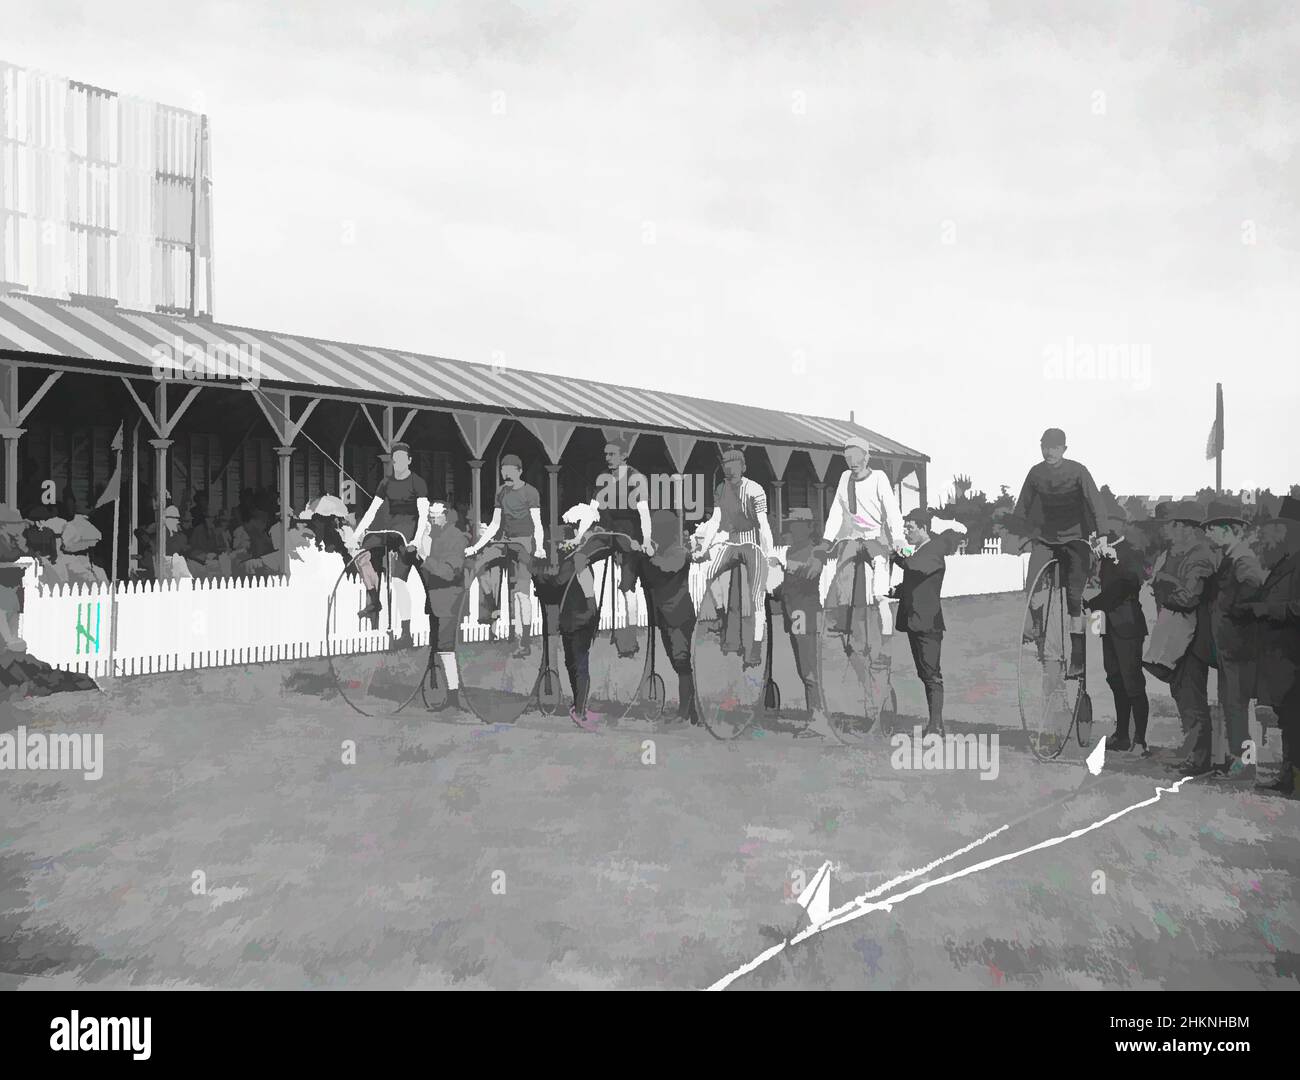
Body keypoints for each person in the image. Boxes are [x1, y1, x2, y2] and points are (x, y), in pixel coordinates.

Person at [1014, 428, 1108, 678]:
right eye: (1045, 446)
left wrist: (1102, 534)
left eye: (1055, 448)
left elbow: (1095, 503)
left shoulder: (1078, 471)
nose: (1049, 452)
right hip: (1046, 539)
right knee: (1032, 587)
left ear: (1064, 449)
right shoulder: (1036, 473)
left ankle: (1077, 658)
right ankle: (1036, 627)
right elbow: (1021, 506)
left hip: (1075, 539)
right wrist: (1020, 534)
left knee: (1074, 599)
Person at [1149, 500, 1219, 775]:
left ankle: (1199, 759)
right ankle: (1194, 753)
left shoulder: (1199, 555)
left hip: (1192, 638)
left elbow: (1189, 597)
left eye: (1172, 524)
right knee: (1182, 694)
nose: (1167, 529)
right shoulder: (1176, 552)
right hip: (1179, 635)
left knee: (1191, 696)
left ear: (1186, 527)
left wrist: (1164, 585)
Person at [1202, 499, 1268, 780]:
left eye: (1213, 529)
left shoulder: (1243, 559)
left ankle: (1246, 764)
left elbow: (1252, 592)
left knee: (1239, 706)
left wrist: (1231, 611)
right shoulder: (1231, 558)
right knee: (1233, 705)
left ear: (1228, 529)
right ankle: (1238, 760)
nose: (1208, 534)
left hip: (1239, 647)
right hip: (1230, 647)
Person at [1240, 497, 1300, 795]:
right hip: (1281, 654)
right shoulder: (1284, 561)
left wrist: (1266, 610)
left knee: (1295, 718)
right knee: (1289, 718)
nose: (1271, 534)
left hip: (1292, 652)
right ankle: (1288, 778)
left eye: (1277, 528)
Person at [693, 447, 774, 668]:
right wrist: (704, 548)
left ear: (743, 468)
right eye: (726, 469)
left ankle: (755, 648)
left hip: (752, 543)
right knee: (708, 572)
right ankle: (721, 617)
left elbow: (763, 524)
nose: (730, 473)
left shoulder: (755, 490)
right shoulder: (721, 488)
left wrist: (769, 553)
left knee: (757, 596)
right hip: (731, 540)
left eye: (734, 469)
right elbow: (716, 520)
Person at [821, 435, 905, 640]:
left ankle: (886, 634)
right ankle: (844, 622)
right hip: (854, 538)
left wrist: (899, 537)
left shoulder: (879, 478)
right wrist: (827, 540)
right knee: (843, 573)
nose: (853, 463)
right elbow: (837, 511)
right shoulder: (844, 478)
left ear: (867, 458)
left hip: (877, 538)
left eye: (857, 457)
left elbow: (892, 510)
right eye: (848, 458)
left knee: (880, 594)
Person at [892, 508, 967, 737]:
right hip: (916, 621)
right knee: (925, 674)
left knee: (932, 674)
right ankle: (935, 724)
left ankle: (936, 726)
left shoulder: (933, 549)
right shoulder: (923, 550)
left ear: (923, 528)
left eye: (910, 527)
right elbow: (917, 581)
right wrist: (896, 591)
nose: (906, 531)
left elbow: (913, 567)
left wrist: (894, 554)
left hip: (928, 623)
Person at [466, 453, 544, 658]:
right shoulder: (501, 492)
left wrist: (540, 546)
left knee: (520, 593)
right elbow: (494, 524)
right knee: (480, 564)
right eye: (503, 470)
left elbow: (537, 523)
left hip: (524, 542)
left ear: (519, 472)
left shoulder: (530, 492)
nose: (506, 474)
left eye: (510, 471)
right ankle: (491, 611)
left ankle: (523, 640)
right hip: (505, 541)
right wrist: (476, 547)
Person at [353, 442, 430, 647]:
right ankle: (373, 600)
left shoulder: (417, 482)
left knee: (398, 581)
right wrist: (357, 534)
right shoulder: (385, 483)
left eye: (402, 460)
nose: (398, 464)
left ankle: (406, 632)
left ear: (409, 461)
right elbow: (372, 511)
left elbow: (423, 513)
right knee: (362, 554)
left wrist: (417, 538)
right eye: (395, 460)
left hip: (409, 531)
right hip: (391, 529)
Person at [1087, 513, 1151, 755]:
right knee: (1115, 680)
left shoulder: (1130, 553)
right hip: (1110, 627)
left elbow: (1128, 584)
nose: (1096, 539)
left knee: (1132, 682)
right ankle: (1122, 734)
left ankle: (1140, 740)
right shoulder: (1105, 557)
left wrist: (1094, 603)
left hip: (1128, 626)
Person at [768, 507, 834, 739]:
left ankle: (819, 720)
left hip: (805, 615)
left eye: (797, 524)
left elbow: (809, 574)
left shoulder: (816, 551)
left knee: (809, 670)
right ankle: (815, 716)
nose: (792, 528)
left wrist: (784, 566)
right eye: (790, 524)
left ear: (809, 527)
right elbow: (790, 585)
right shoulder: (792, 550)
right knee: (803, 669)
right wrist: (772, 592)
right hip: (793, 614)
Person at [639, 509, 698, 724]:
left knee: (682, 663)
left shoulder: (678, 553)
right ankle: (691, 712)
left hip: (678, 615)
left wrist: (647, 557)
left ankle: (685, 713)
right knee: (677, 663)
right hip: (665, 616)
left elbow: (664, 569)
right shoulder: (659, 552)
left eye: (657, 531)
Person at [417, 501, 468, 712]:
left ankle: (453, 695)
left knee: (446, 648)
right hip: (436, 599)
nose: (431, 519)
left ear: (446, 516)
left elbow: (449, 572)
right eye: (429, 515)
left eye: (435, 515)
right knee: (439, 647)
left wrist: (425, 558)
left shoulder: (456, 538)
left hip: (449, 600)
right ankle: (445, 691)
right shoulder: (434, 536)